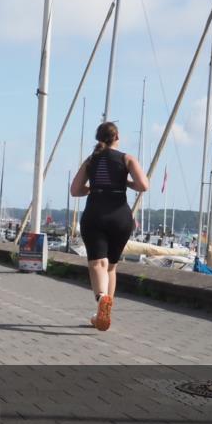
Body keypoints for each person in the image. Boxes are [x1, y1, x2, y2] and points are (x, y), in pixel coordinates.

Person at [69, 122, 149, 331]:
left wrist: (94, 188)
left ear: (98, 138)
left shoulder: (91, 160)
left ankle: (102, 298)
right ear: (117, 137)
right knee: (111, 266)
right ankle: (104, 314)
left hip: (95, 213)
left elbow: (75, 190)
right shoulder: (127, 159)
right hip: (120, 216)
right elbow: (143, 185)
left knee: (97, 264)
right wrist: (125, 183)